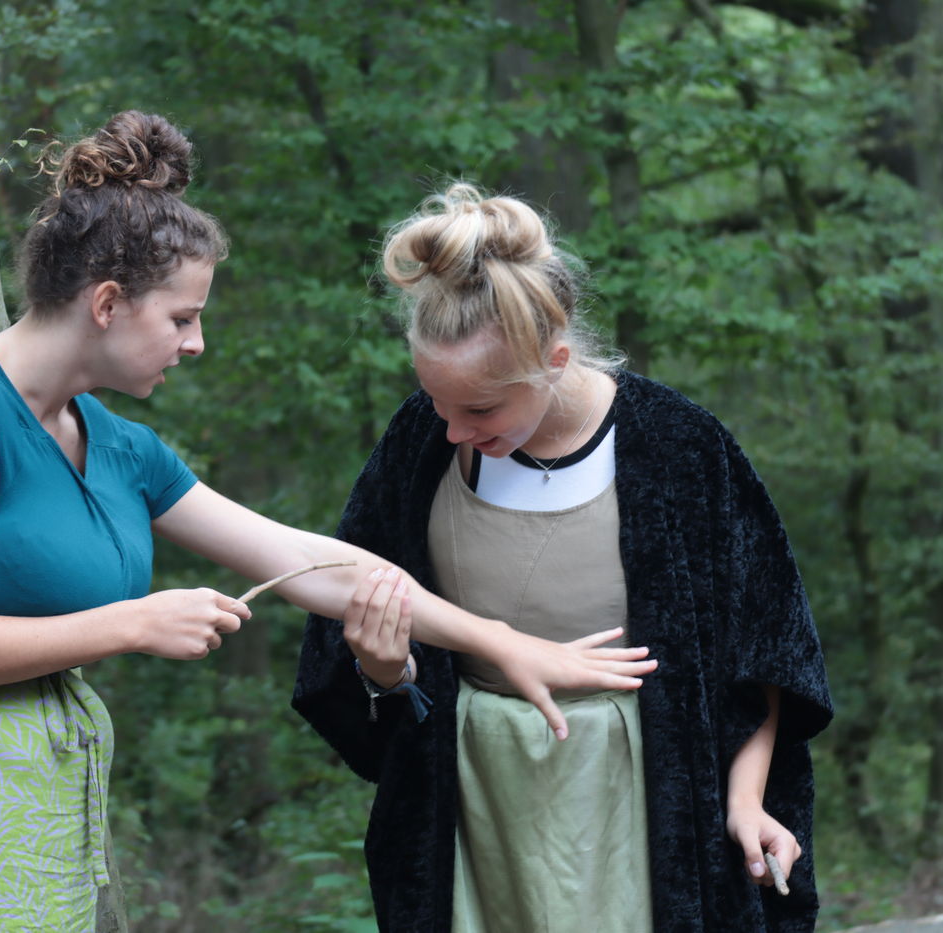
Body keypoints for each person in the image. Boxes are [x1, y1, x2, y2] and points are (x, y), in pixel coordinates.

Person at [0, 114, 656, 933]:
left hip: (24, 803)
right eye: (184, 318)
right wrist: (135, 621)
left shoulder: (118, 447)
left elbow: (315, 564)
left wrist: (502, 641)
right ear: (109, 302)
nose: (196, 344)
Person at [293, 183, 833, 932]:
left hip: (643, 807)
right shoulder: (422, 444)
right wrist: (387, 671)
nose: (452, 429)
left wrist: (744, 802)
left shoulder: (681, 449)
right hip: (474, 812)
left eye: (479, 409)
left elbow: (768, 655)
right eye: (438, 402)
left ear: (553, 358)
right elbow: (357, 657)